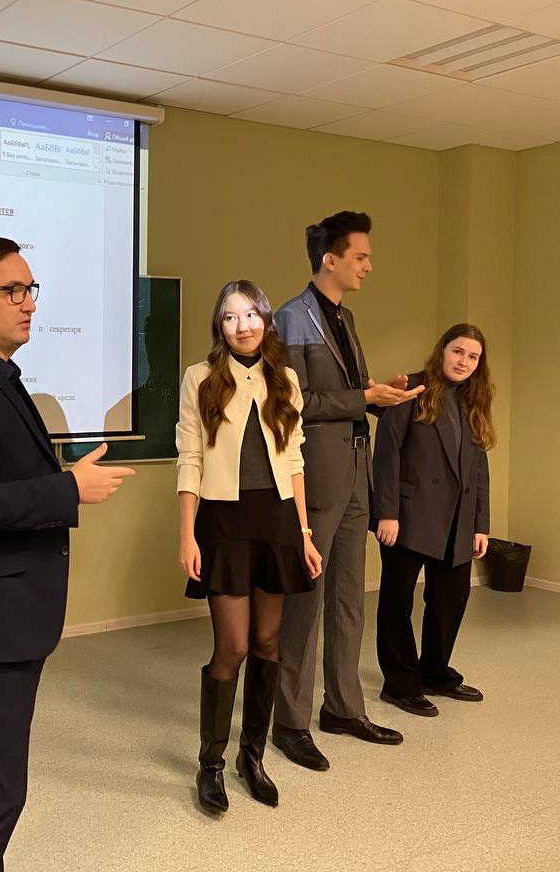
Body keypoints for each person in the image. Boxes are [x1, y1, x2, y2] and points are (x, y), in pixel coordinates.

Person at [0, 235, 135, 871]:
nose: (29, 303)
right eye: (12, 290)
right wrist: (66, 489)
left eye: (30, 290)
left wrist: (60, 486)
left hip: (8, 619)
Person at [272, 211, 422, 771]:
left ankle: (343, 708)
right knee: (305, 603)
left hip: (357, 471)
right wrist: (365, 399)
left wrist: (382, 393)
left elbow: (349, 392)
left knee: (349, 598)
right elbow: (294, 402)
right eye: (361, 256)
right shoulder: (291, 319)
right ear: (329, 259)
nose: (368, 265)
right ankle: (290, 722)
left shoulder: (345, 316)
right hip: (316, 476)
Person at [177, 280, 323, 814]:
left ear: (266, 320)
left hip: (278, 521)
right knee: (233, 646)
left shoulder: (285, 378)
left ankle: (252, 757)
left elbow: (296, 460)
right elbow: (190, 457)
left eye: (252, 315)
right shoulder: (200, 377)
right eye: (231, 317)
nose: (243, 326)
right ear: (220, 326)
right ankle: (210, 764)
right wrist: (187, 534)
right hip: (224, 522)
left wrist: (304, 535)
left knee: (267, 641)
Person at [372, 324, 493, 716]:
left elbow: (478, 468)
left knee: (450, 600)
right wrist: (387, 513)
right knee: (397, 602)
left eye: (473, 356)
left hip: (458, 519)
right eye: (458, 351)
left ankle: (435, 672)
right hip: (407, 517)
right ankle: (400, 684)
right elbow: (387, 453)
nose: (464, 361)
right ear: (442, 350)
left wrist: (480, 524)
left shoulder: (474, 400)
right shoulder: (412, 389)